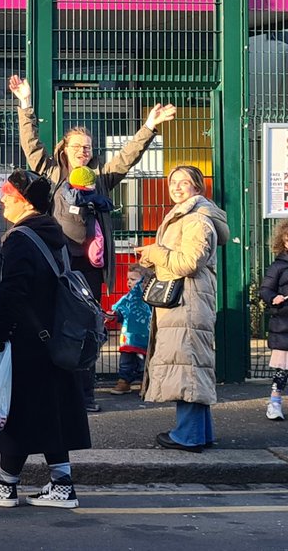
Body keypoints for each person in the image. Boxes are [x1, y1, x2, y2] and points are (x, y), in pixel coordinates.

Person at [9, 74, 175, 411]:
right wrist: (25, 103)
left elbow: (126, 157)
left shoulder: (101, 179)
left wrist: (148, 127)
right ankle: (52, 391)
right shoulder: (53, 174)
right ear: (64, 151)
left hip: (90, 268)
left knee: (85, 327)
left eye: (87, 147)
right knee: (52, 324)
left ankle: (83, 395)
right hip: (58, 264)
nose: (83, 151)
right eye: (77, 147)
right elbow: (32, 147)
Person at [0, 170, 92, 511]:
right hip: (51, 336)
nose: (2, 197)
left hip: (24, 338)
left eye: (8, 192)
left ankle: (6, 484)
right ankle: (61, 483)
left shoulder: (21, 238)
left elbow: (11, 294)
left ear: (24, 200)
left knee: (16, 411)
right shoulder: (51, 232)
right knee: (47, 412)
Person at [139, 165, 228, 453]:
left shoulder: (197, 220)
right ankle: (200, 433)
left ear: (198, 187)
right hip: (186, 302)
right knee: (192, 366)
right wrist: (155, 259)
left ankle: (187, 436)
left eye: (185, 182)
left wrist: (155, 252)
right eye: (173, 182)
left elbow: (189, 262)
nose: (177, 187)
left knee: (186, 367)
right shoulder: (187, 216)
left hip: (187, 303)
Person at [106, 264, 152, 394]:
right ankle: (124, 381)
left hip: (145, 336)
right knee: (125, 361)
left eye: (133, 279)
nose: (129, 282)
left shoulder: (149, 298)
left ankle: (145, 383)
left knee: (144, 361)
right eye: (128, 279)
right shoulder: (127, 298)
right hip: (128, 337)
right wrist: (114, 315)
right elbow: (120, 311)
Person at [57, 166, 115, 269]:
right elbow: (107, 204)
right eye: (92, 184)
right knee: (98, 236)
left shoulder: (61, 192)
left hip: (64, 249)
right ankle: (96, 257)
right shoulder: (89, 197)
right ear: (85, 186)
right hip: (84, 250)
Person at [259, 219, 288, 421]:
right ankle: (275, 403)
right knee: (282, 369)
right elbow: (265, 289)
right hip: (284, 324)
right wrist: (273, 298)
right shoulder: (278, 266)